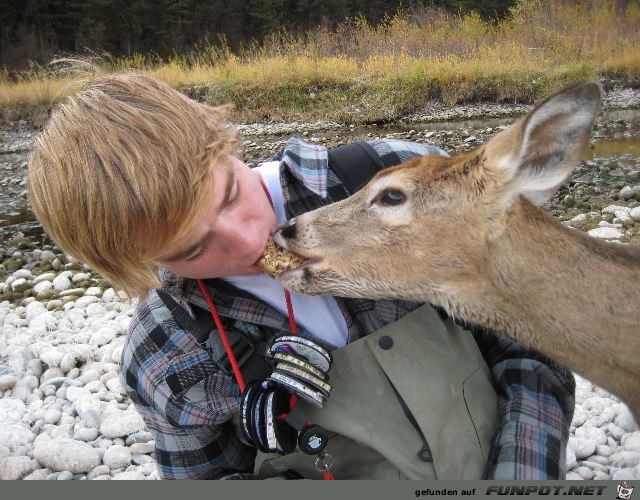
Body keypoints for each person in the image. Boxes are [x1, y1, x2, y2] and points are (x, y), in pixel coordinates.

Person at [27, 73, 575, 480]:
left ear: (227, 141)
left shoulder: (404, 183)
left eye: (230, 194)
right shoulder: (164, 351)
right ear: (139, 266)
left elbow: (535, 341)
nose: (248, 241)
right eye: (194, 248)